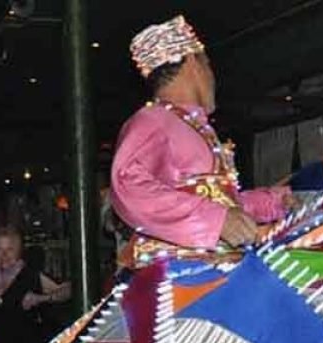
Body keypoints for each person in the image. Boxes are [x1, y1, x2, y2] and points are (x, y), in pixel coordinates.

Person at [111, 15, 297, 251]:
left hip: (214, 264)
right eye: (208, 65)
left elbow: (219, 203)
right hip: (181, 271)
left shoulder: (189, 124)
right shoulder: (153, 120)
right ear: (192, 62)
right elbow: (128, 186)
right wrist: (216, 221)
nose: (212, 76)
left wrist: (273, 203)